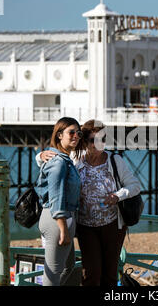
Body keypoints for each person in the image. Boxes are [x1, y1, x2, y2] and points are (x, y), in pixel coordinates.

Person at [37, 119, 141, 286]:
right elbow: (54, 163)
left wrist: (117, 196)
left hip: (112, 225)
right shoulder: (76, 160)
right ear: (84, 141)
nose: (97, 145)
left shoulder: (115, 161)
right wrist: (40, 155)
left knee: (110, 274)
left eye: (102, 140)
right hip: (85, 226)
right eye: (92, 140)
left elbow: (135, 185)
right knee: (91, 274)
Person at [34, 117, 83, 286]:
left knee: (68, 267)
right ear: (59, 135)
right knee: (53, 274)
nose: (76, 136)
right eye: (71, 132)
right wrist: (63, 228)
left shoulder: (64, 160)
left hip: (61, 218)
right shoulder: (59, 162)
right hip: (57, 220)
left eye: (79, 133)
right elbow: (56, 195)